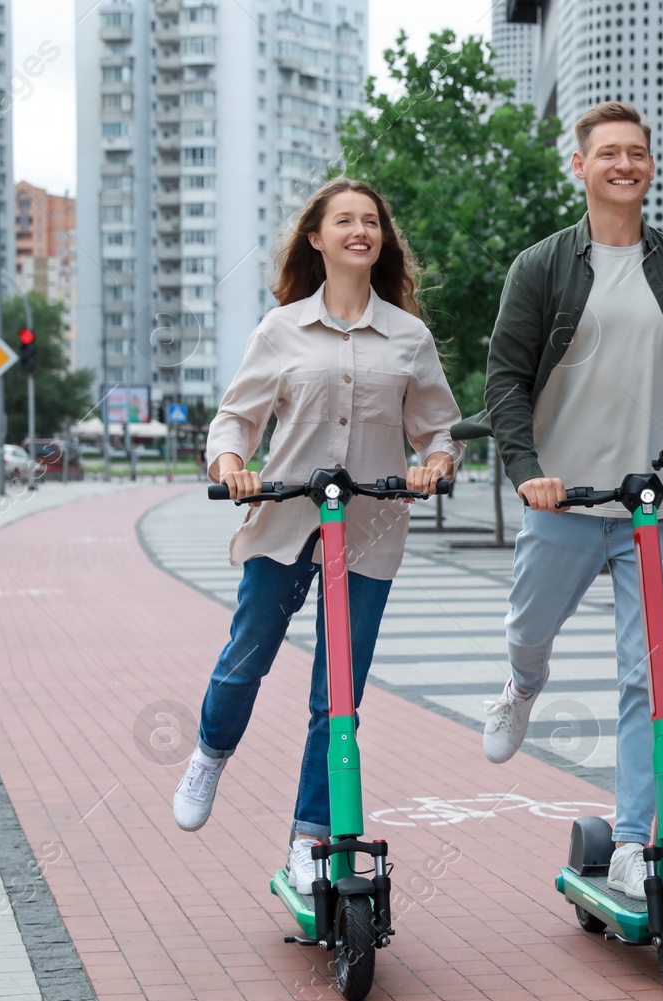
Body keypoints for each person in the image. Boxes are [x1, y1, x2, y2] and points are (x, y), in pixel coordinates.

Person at [482, 101, 663, 899]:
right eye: (608, 153)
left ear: (649, 165)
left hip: (660, 507)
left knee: (652, 678)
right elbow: (504, 378)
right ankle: (522, 687)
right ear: (580, 166)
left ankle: (637, 839)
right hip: (565, 498)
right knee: (528, 628)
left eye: (637, 153)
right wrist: (526, 469)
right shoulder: (540, 266)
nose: (624, 164)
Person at [173, 177, 462, 895]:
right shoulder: (281, 330)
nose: (359, 230)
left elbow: (437, 428)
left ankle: (310, 839)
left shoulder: (408, 337)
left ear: (381, 241)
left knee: (338, 697)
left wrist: (436, 462)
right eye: (345, 221)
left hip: (367, 528)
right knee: (245, 660)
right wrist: (233, 463)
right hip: (285, 518)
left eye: (371, 221)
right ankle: (210, 752)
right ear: (317, 237)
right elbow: (234, 418)